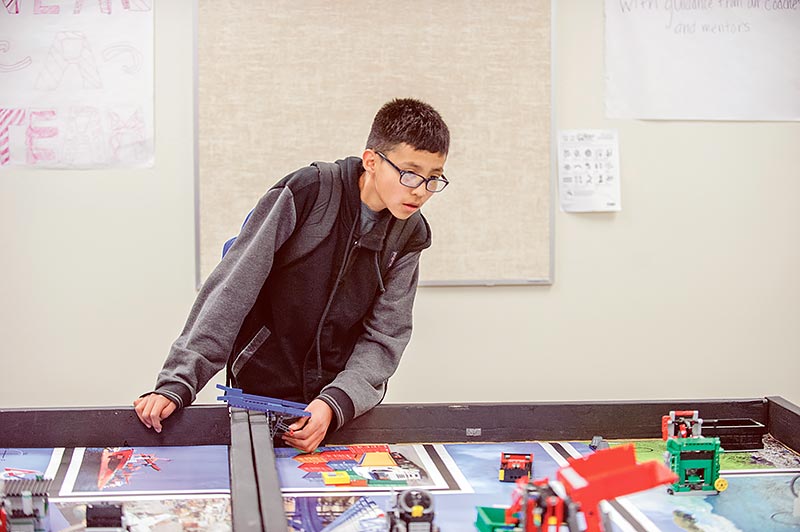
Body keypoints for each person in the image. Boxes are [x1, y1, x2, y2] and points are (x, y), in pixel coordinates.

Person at [134, 98, 450, 452]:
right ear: (372, 161)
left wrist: (334, 404)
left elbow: (385, 336)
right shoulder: (308, 192)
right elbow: (232, 289)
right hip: (259, 395)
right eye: (410, 173)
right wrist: (178, 383)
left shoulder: (410, 234)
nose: (420, 190)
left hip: (333, 407)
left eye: (433, 178)